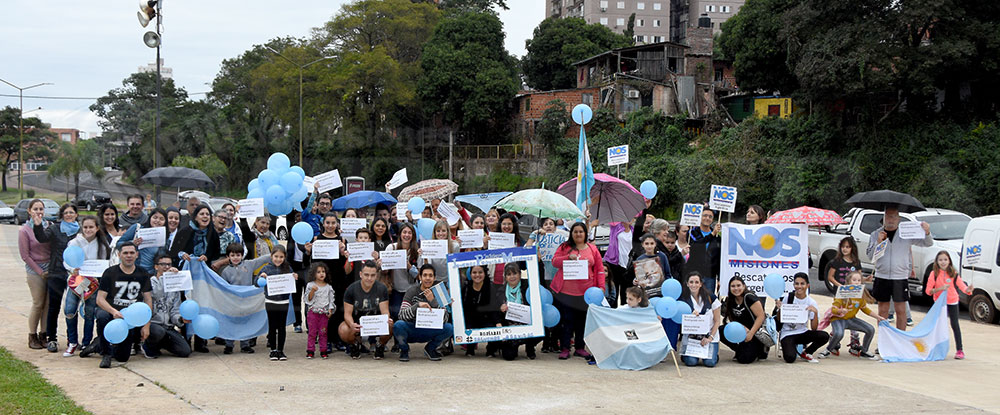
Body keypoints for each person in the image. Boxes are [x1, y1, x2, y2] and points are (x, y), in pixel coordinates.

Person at [866, 206, 933, 330]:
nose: (890, 219)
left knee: (901, 310)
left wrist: (927, 232)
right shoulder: (875, 234)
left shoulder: (906, 233)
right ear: (883, 217)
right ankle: (884, 341)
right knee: (883, 310)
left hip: (900, 277)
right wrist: (878, 243)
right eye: (887, 216)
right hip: (882, 276)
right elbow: (870, 256)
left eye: (893, 216)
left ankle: (899, 341)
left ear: (898, 219)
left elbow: (928, 243)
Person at [551, 222, 604, 361]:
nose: (578, 234)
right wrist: (567, 257)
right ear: (571, 233)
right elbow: (554, 262)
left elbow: (599, 270)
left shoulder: (593, 249)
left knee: (582, 321)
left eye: (581, 231)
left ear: (585, 233)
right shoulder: (564, 247)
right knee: (567, 320)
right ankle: (565, 348)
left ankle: (580, 348)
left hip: (586, 293)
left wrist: (601, 288)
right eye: (575, 232)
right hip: (566, 291)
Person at [94, 242, 153, 368]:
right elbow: (100, 299)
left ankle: (96, 345)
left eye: (132, 253)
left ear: (137, 255)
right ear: (119, 254)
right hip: (112, 313)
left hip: (130, 319)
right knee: (102, 316)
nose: (129, 256)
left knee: (122, 357)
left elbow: (148, 300)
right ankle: (106, 354)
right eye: (125, 253)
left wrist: (147, 325)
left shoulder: (143, 273)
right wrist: (113, 311)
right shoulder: (110, 272)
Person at [32, 203, 80, 353]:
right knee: (54, 307)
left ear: (76, 214)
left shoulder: (82, 231)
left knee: (72, 308)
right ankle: (51, 338)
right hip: (57, 273)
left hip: (76, 275)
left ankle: (72, 340)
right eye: (66, 213)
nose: (69, 215)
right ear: (62, 215)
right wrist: (38, 225)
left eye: (71, 212)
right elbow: (42, 238)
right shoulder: (55, 228)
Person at [61, 216, 111, 357]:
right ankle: (72, 342)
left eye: (91, 227)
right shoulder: (74, 242)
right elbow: (67, 260)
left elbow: (105, 263)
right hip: (76, 281)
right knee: (69, 309)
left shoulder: (102, 244)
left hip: (92, 283)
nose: (88, 230)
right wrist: (72, 269)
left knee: (89, 313)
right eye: (86, 227)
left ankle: (86, 342)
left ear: (97, 228)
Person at [211, 242, 272, 354]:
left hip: (246, 301)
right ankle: (229, 345)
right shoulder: (225, 271)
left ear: (242, 255)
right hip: (232, 302)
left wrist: (275, 254)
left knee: (246, 322)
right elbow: (224, 287)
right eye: (232, 255)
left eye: (238, 255)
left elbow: (262, 259)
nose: (235, 258)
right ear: (228, 256)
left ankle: (245, 345)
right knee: (231, 322)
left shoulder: (249, 264)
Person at [303, 212, 350, 352]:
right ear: (323, 224)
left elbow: (345, 265)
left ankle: (338, 339)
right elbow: (311, 263)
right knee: (324, 312)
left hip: (338, 279)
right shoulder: (317, 240)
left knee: (337, 310)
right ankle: (326, 340)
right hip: (322, 281)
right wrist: (308, 252)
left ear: (337, 224)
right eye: (327, 223)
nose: (330, 225)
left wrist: (344, 254)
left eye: (333, 223)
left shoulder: (342, 240)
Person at [394, 265, 453, 362]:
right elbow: (401, 314)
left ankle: (430, 348)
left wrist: (433, 301)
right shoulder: (411, 291)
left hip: (431, 330)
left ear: (434, 278)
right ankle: (404, 350)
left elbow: (445, 319)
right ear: (420, 277)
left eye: (430, 275)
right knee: (398, 325)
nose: (428, 278)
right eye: (425, 275)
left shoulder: (439, 292)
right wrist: (417, 306)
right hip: (413, 329)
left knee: (449, 328)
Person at [820, 271, 882, 360]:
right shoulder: (842, 293)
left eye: (859, 280)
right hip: (838, 319)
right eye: (854, 280)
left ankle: (865, 351)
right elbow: (833, 309)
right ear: (849, 282)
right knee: (839, 333)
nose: (857, 282)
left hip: (851, 319)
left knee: (870, 329)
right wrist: (840, 310)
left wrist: (878, 317)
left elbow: (865, 309)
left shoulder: (860, 296)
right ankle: (828, 350)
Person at [339, 261, 393, 359]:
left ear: (376, 275)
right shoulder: (351, 289)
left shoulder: (382, 289)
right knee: (343, 329)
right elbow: (347, 314)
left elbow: (385, 311)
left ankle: (380, 345)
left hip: (376, 323)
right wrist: (352, 325)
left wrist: (387, 319)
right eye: (366, 275)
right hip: (358, 323)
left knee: (390, 325)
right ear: (360, 274)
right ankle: (355, 344)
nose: (369, 278)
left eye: (372, 275)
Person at [141, 254, 192, 359]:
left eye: (169, 264)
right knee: (158, 332)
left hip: (168, 327)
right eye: (163, 264)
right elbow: (156, 294)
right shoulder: (150, 281)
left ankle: (161, 343)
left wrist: (180, 319)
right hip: (153, 325)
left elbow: (175, 309)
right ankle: (147, 346)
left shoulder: (175, 286)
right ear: (156, 267)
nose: (167, 267)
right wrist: (165, 278)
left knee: (185, 351)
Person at [925, 251, 972, 360]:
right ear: (937, 261)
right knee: (938, 326)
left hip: (952, 301)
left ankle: (960, 350)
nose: (943, 262)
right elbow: (928, 291)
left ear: (949, 261)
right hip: (939, 303)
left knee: (955, 325)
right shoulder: (934, 274)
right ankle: (934, 348)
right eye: (940, 260)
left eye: (945, 260)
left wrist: (968, 290)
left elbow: (962, 287)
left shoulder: (953, 273)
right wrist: (939, 289)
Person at [777, 273, 830, 363]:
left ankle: (807, 352)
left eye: (802, 284)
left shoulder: (811, 302)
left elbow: (814, 328)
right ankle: (790, 346)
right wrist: (780, 309)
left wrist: (815, 313)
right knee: (790, 358)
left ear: (807, 285)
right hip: (787, 333)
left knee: (824, 336)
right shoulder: (788, 297)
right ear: (793, 285)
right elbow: (779, 319)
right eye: (796, 284)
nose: (799, 286)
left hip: (802, 332)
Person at [20, 199, 52, 349]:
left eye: (41, 209)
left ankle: (43, 334)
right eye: (35, 209)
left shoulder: (49, 227)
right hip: (35, 270)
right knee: (38, 303)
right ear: (29, 211)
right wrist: (40, 272)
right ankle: (32, 336)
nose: (39, 212)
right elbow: (25, 255)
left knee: (47, 304)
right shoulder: (25, 230)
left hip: (50, 268)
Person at [493, 263, 539, 360]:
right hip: (510, 326)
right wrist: (500, 310)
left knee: (543, 329)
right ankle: (511, 344)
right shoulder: (501, 291)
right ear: (505, 277)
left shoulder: (527, 286)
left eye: (515, 273)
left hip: (527, 324)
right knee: (509, 356)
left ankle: (530, 347)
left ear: (520, 274)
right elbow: (495, 311)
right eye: (509, 274)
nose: (512, 277)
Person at [257, 246, 296, 361]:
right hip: (270, 301)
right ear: (271, 256)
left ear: (284, 257)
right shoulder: (266, 269)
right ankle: (273, 350)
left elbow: (293, 283)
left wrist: (295, 277)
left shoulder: (288, 268)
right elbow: (256, 283)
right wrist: (261, 278)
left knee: (282, 326)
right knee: (272, 326)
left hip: (284, 301)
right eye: (276, 256)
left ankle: (281, 350)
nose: (278, 259)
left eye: (281, 257)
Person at [678, 272, 722, 367]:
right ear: (687, 283)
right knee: (691, 362)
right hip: (692, 337)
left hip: (709, 335)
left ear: (701, 284)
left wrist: (710, 338)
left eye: (697, 282)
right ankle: (687, 355)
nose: (694, 285)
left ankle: (714, 355)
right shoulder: (683, 299)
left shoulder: (711, 297)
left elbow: (717, 320)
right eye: (691, 282)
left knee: (710, 363)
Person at [721, 276, 768, 364]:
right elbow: (731, 319)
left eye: (738, 285)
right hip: (742, 331)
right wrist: (742, 327)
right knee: (721, 330)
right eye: (733, 286)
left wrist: (750, 333)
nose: (736, 288)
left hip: (755, 333)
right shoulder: (730, 299)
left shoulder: (749, 297)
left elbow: (761, 316)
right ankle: (739, 350)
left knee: (744, 359)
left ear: (744, 286)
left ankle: (761, 349)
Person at [461, 265, 500, 356]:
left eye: (480, 272)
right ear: (470, 274)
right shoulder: (466, 287)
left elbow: (494, 307)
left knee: (494, 328)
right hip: (470, 319)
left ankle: (490, 350)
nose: (477, 275)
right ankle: (470, 349)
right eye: (474, 272)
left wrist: (497, 322)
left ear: (485, 274)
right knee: (468, 329)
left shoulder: (491, 287)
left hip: (486, 318)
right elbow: (461, 305)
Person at [117, 208, 169, 274]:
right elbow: (118, 244)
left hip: (149, 274)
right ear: (150, 218)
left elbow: (161, 259)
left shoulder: (164, 239)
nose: (157, 221)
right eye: (155, 217)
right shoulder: (137, 228)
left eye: (161, 219)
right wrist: (132, 243)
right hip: (132, 271)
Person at [385, 223, 419, 321]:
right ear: (400, 234)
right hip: (396, 289)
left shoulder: (417, 251)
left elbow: (419, 277)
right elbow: (385, 270)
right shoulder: (391, 248)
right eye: (404, 232)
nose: (407, 235)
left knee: (411, 315)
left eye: (409, 233)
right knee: (396, 314)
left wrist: (409, 267)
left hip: (412, 289)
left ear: (413, 236)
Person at [304, 263, 337, 359]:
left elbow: (331, 300)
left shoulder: (328, 287)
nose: (321, 274)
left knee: (323, 332)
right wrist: (312, 291)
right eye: (318, 272)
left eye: (323, 272)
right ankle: (310, 350)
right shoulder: (310, 285)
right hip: (313, 313)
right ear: (314, 274)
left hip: (324, 314)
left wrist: (330, 310)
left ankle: (323, 350)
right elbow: (308, 300)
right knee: (312, 332)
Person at [686, 207, 721, 295]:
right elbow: (696, 245)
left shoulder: (717, 238)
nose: (707, 218)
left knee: (709, 301)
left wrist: (720, 278)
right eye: (705, 215)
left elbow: (719, 258)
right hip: (695, 273)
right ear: (700, 217)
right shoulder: (692, 233)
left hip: (710, 276)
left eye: (710, 216)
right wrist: (712, 235)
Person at [632, 233, 670, 298]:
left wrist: (665, 285)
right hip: (647, 293)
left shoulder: (662, 256)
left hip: (661, 292)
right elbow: (639, 276)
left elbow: (668, 274)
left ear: (655, 244)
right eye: (646, 243)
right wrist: (636, 281)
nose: (649, 246)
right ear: (642, 245)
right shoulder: (640, 259)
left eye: (652, 243)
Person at [605, 220, 633, 308]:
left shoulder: (633, 231)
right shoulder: (615, 227)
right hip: (615, 263)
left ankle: (625, 312)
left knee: (626, 291)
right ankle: (613, 312)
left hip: (628, 265)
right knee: (614, 290)